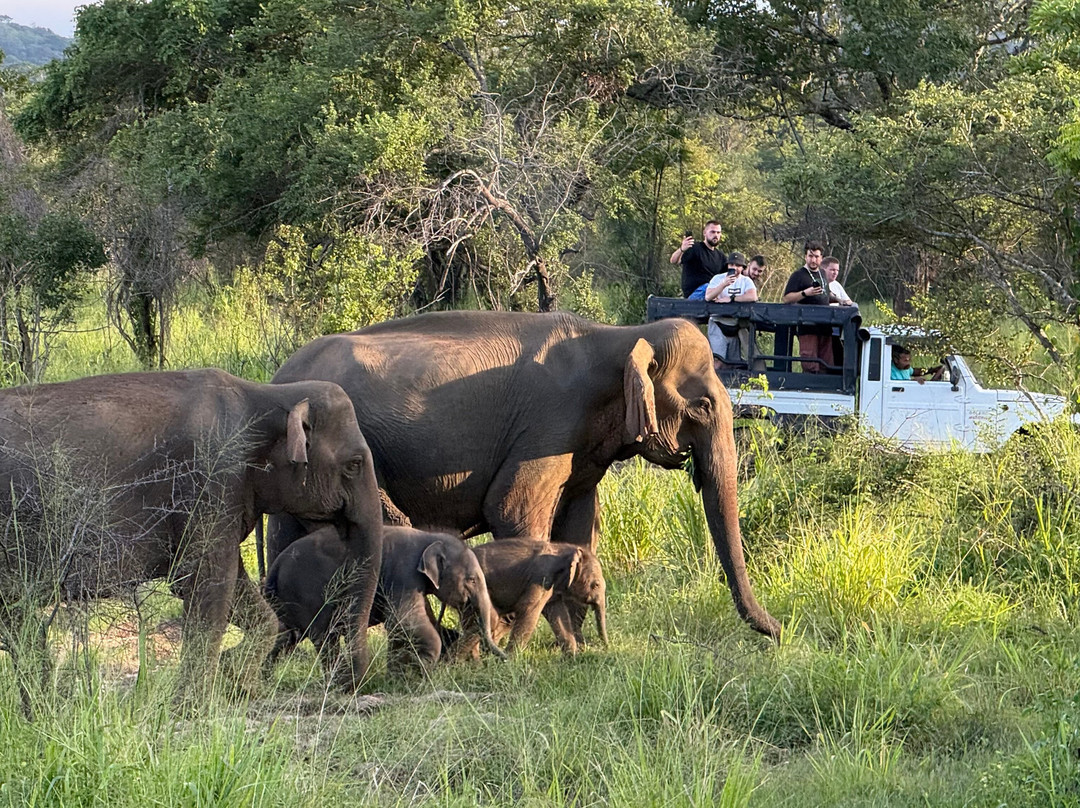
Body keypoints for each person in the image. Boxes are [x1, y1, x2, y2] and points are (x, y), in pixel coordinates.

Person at [782, 241, 833, 372]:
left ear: (821, 258)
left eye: (816, 256)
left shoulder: (822, 273)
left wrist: (840, 300)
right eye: (810, 256)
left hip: (825, 325)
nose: (813, 260)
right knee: (810, 364)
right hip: (807, 326)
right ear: (805, 256)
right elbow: (786, 298)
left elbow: (825, 294)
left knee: (827, 364)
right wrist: (805, 293)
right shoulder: (798, 275)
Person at [704, 252, 757, 367]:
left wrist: (731, 298)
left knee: (733, 363)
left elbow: (753, 296)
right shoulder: (718, 278)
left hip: (735, 325)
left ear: (742, 268)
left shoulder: (746, 281)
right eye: (732, 265)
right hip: (718, 322)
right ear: (728, 266)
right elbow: (708, 296)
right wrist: (723, 285)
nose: (734, 268)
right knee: (718, 361)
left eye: (738, 265)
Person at [671, 221, 726, 299]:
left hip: (713, 292)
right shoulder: (695, 248)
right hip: (696, 292)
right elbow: (674, 261)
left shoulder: (721, 256)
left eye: (718, 232)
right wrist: (681, 249)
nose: (716, 235)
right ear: (704, 233)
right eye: (712, 232)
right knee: (710, 287)